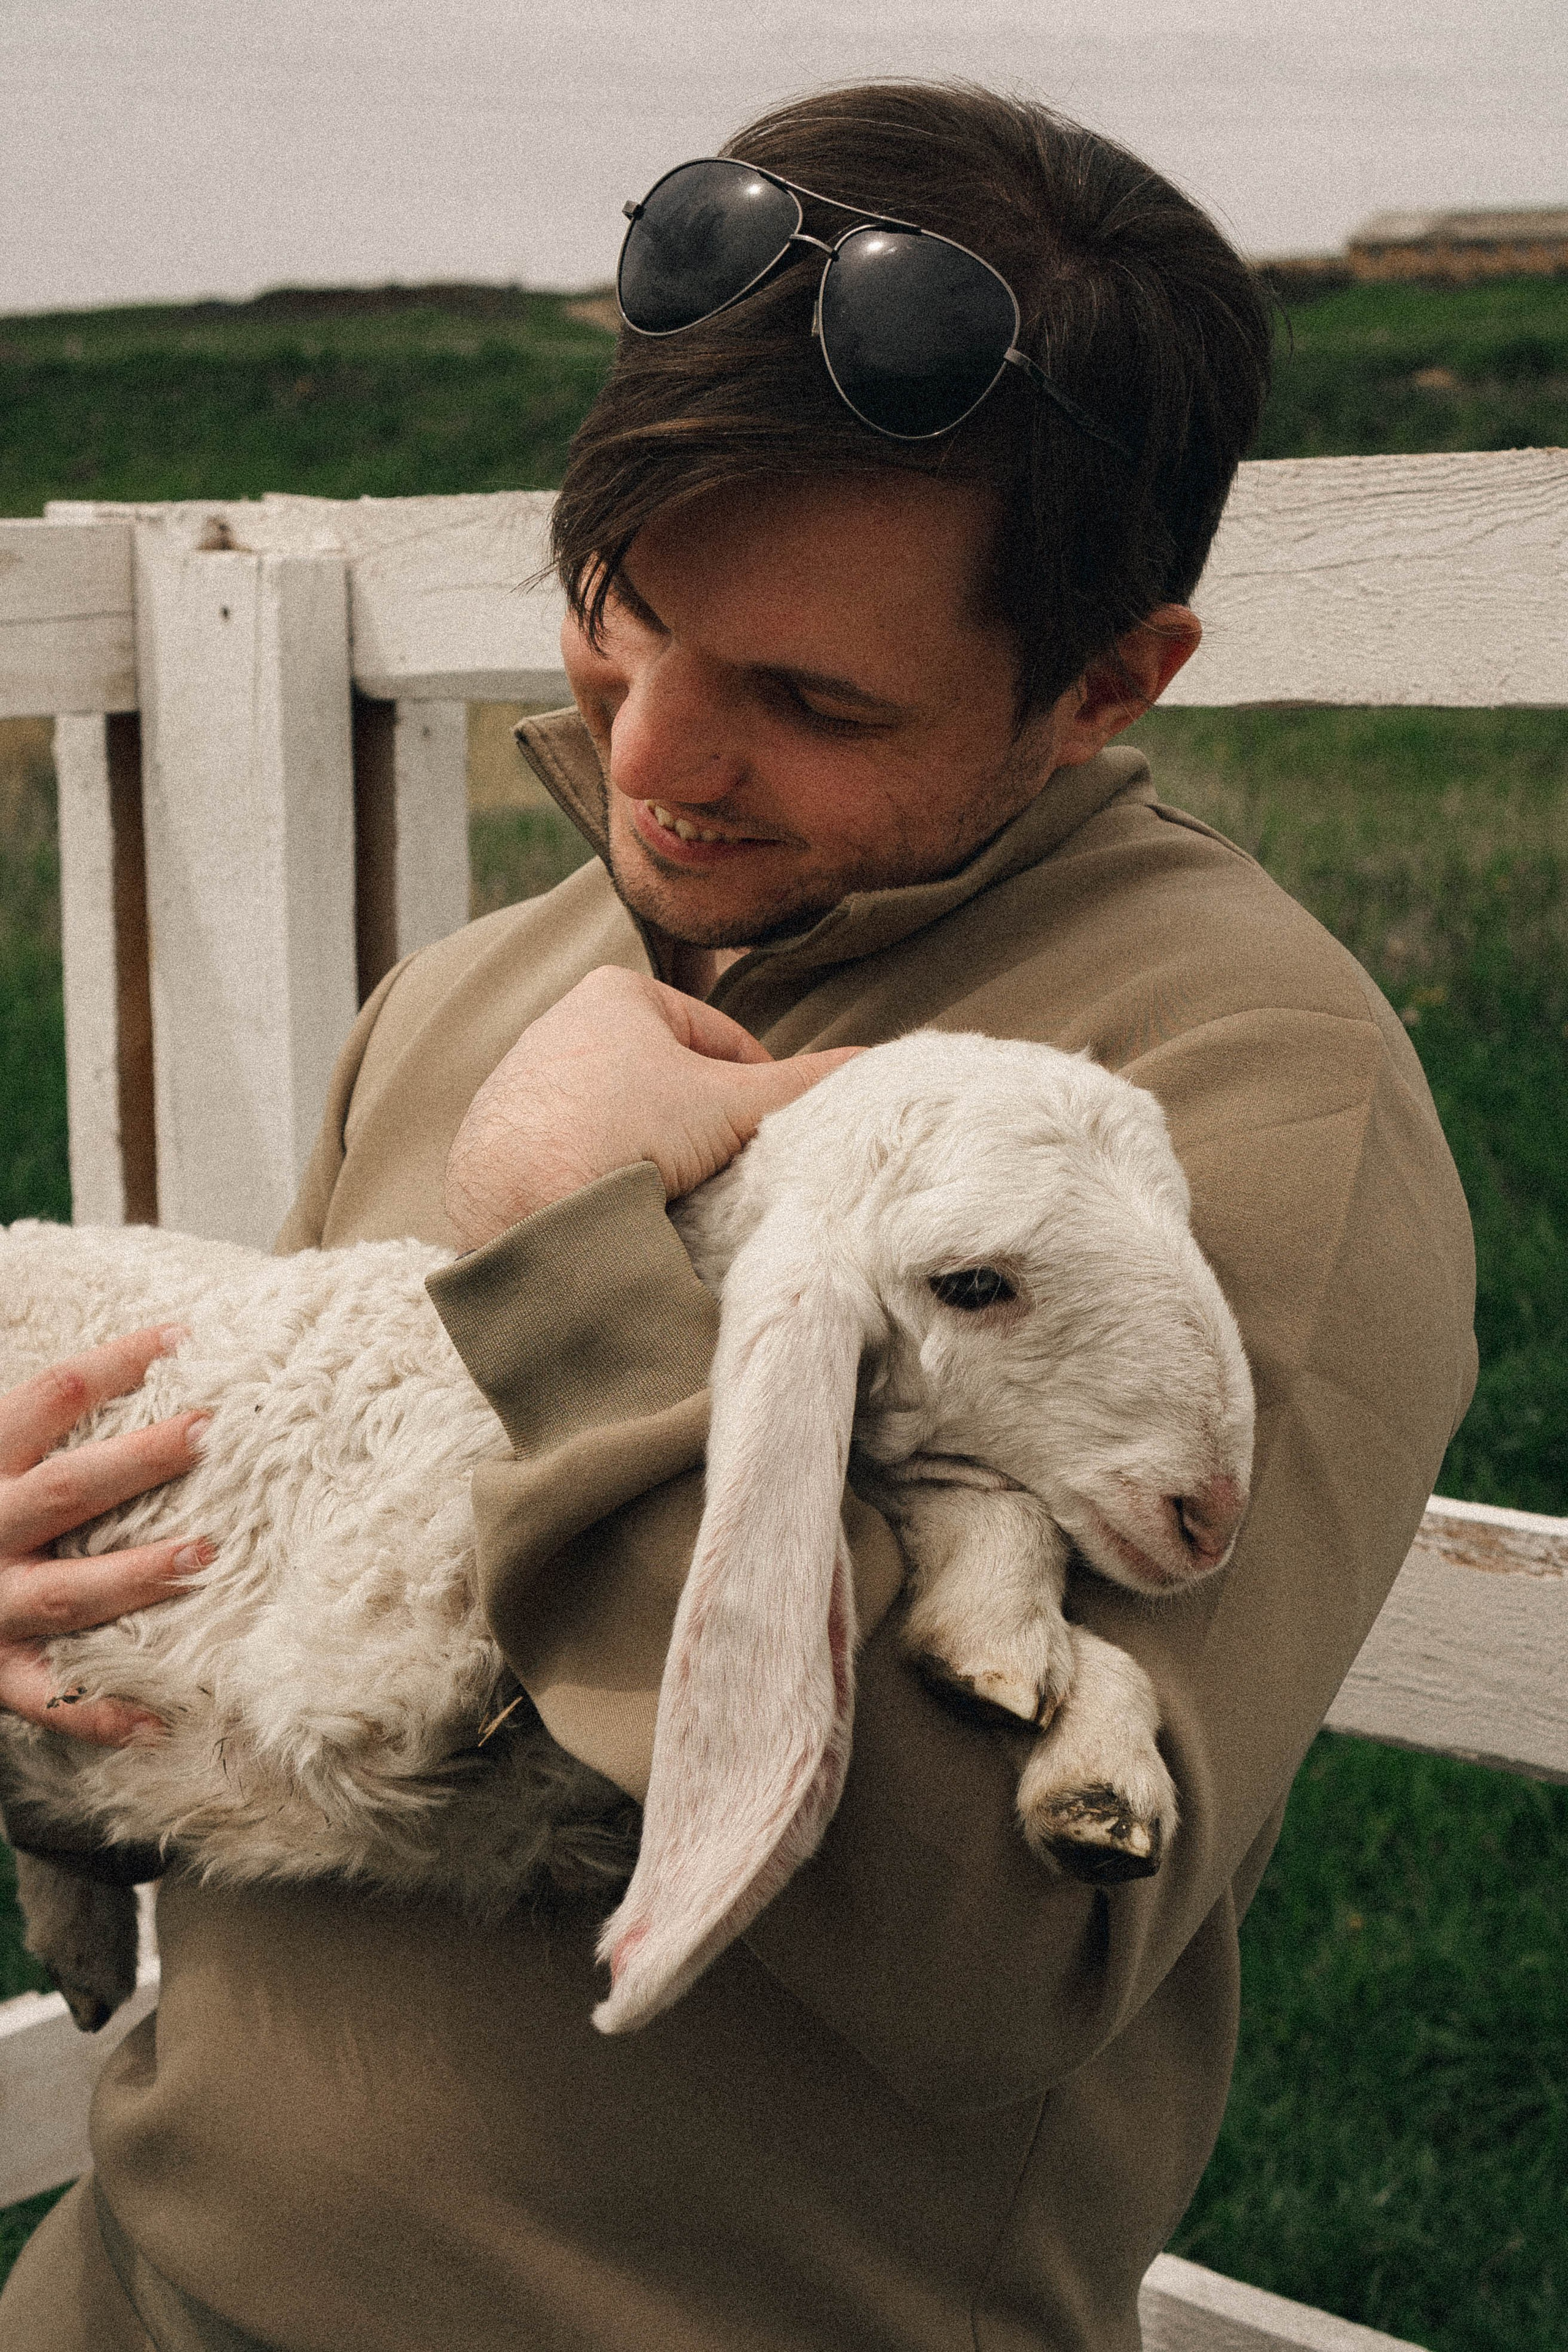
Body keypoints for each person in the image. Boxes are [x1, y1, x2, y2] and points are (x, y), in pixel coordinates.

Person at [0, 81, 1474, 2352]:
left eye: (808, 698)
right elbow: (284, 1651)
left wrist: (570, 1253)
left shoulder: (1249, 1088)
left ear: (1108, 682)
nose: (652, 759)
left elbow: (1012, 1950)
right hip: (117, 2295)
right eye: (626, 610)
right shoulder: (482, 994)